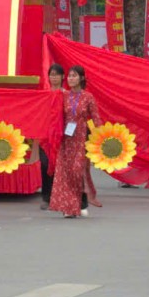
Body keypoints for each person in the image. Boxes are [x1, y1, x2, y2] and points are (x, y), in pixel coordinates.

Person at [49, 65, 101, 218]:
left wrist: (102, 137)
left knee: (77, 171)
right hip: (65, 139)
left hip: (81, 139)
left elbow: (96, 118)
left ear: (81, 78)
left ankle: (81, 201)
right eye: (70, 76)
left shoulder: (88, 97)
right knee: (65, 173)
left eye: (74, 76)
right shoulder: (63, 96)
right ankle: (69, 207)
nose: (71, 79)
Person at [38, 65, 65, 208]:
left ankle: (59, 196)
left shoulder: (66, 94)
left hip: (61, 136)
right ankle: (46, 197)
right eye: (51, 74)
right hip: (45, 136)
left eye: (56, 74)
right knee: (45, 165)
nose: (53, 77)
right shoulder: (43, 94)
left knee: (60, 166)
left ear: (62, 77)